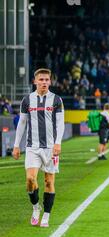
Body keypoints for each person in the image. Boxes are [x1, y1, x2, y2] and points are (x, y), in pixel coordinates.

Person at [12, 68, 65, 228]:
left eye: (46, 80)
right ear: (34, 81)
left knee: (49, 181)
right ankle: (36, 208)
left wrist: (58, 143)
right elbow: (22, 123)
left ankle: (46, 216)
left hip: (50, 148)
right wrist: (16, 146)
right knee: (30, 179)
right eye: (41, 80)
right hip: (32, 147)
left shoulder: (56, 100)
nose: (44, 82)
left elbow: (60, 123)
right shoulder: (27, 100)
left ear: (50, 81)